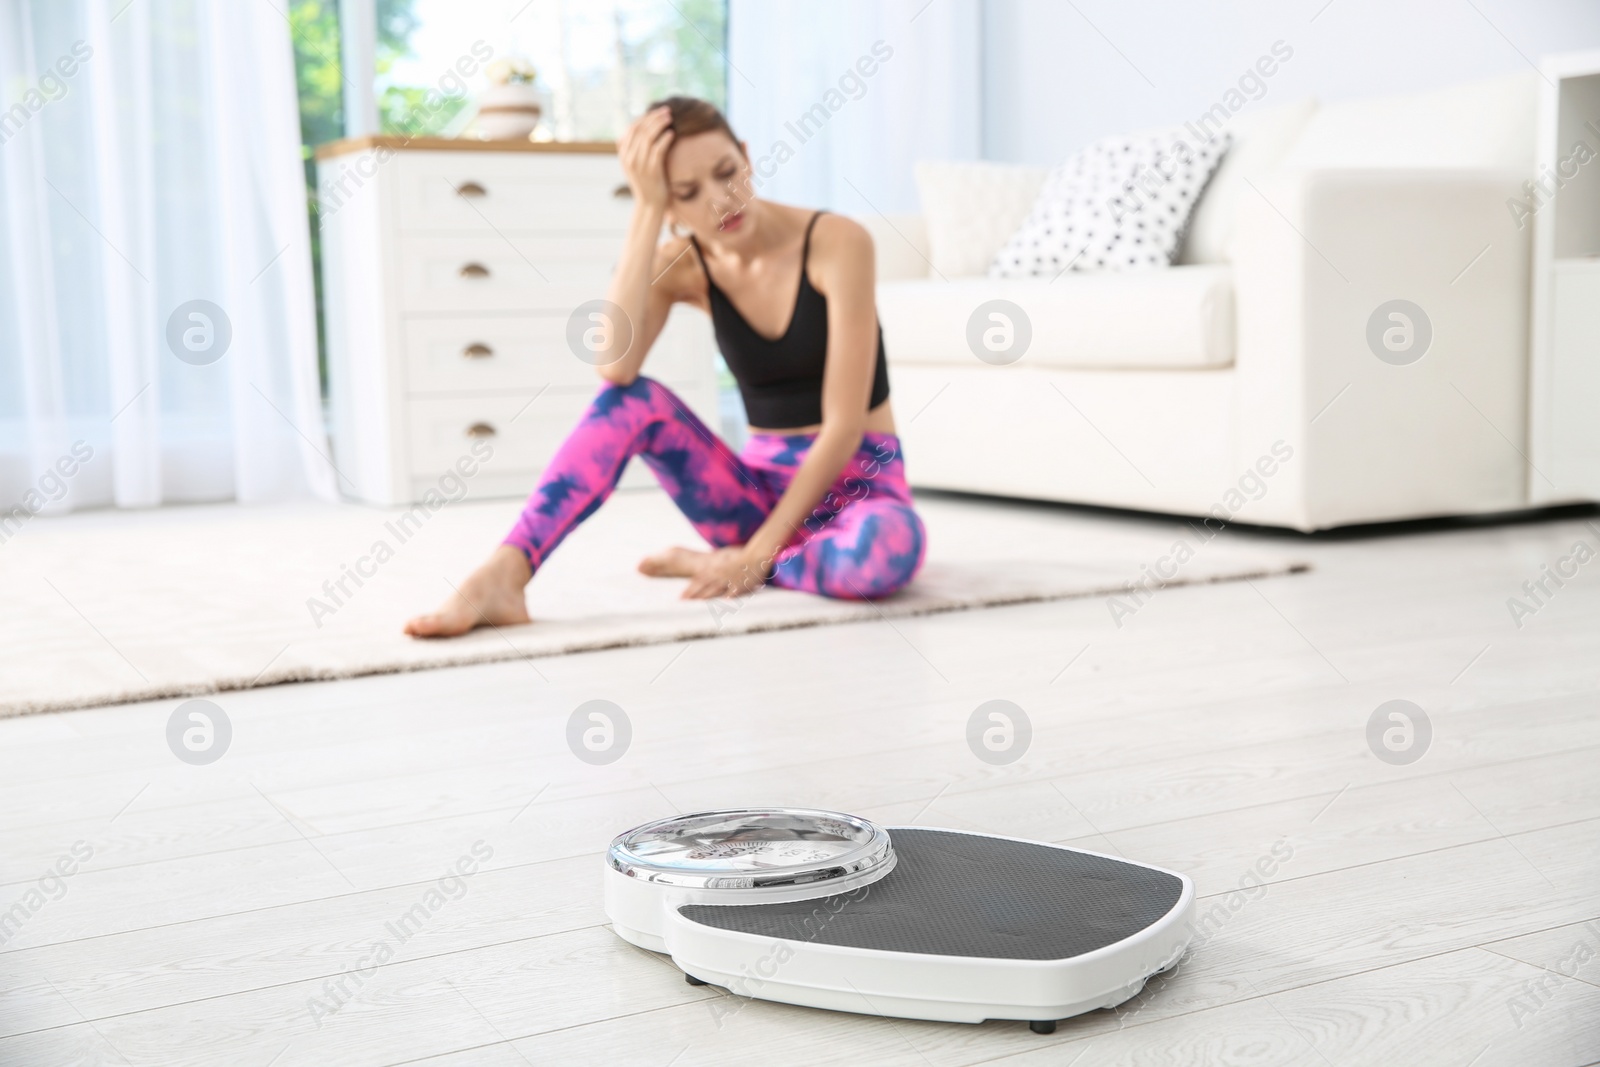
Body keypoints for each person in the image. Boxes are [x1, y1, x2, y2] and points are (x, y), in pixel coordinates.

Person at [404, 96, 925, 637]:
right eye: (686, 193)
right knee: (629, 403)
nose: (721, 201)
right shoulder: (684, 263)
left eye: (728, 172)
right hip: (755, 495)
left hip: (860, 489)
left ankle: (741, 560)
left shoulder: (838, 243)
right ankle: (505, 572)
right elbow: (616, 368)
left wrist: (757, 556)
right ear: (668, 204)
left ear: (747, 156)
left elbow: (843, 427)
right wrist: (647, 211)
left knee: (890, 552)